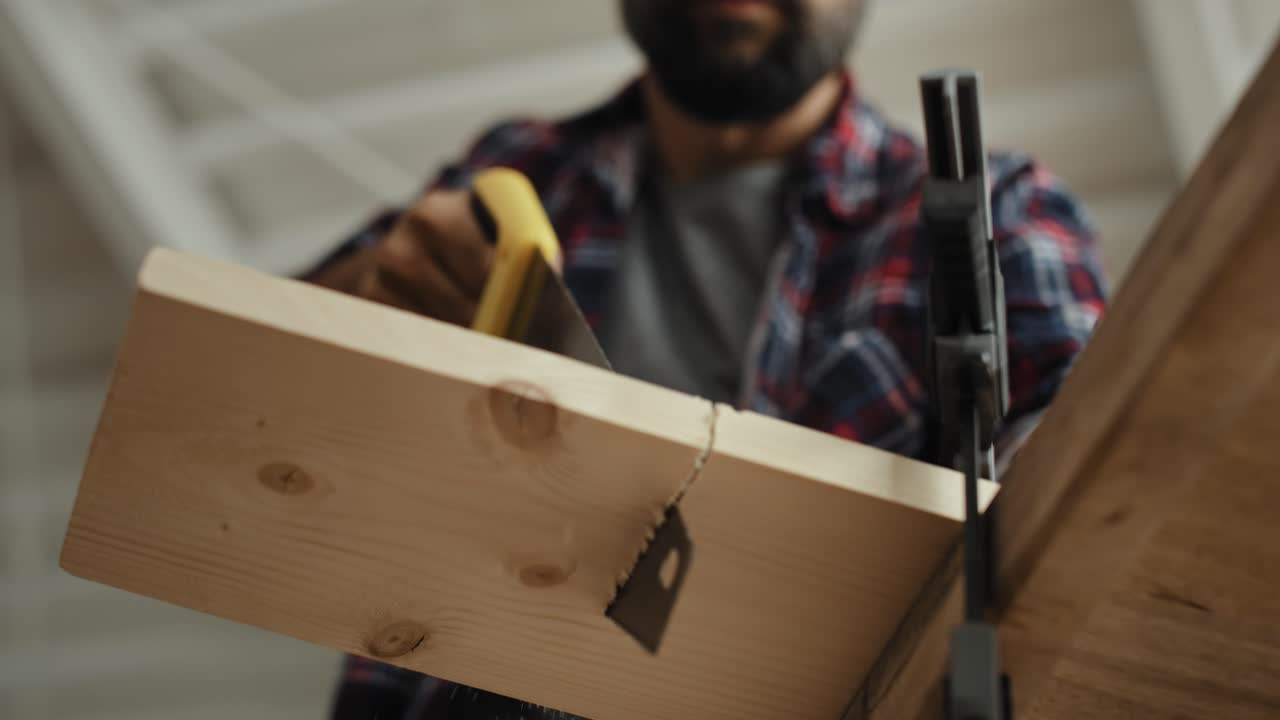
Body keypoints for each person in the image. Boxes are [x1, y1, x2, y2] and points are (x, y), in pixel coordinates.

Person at [307, 0, 1108, 717]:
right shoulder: (523, 169)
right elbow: (229, 367)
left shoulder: (990, 208)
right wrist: (371, 292)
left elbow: (1085, 464)